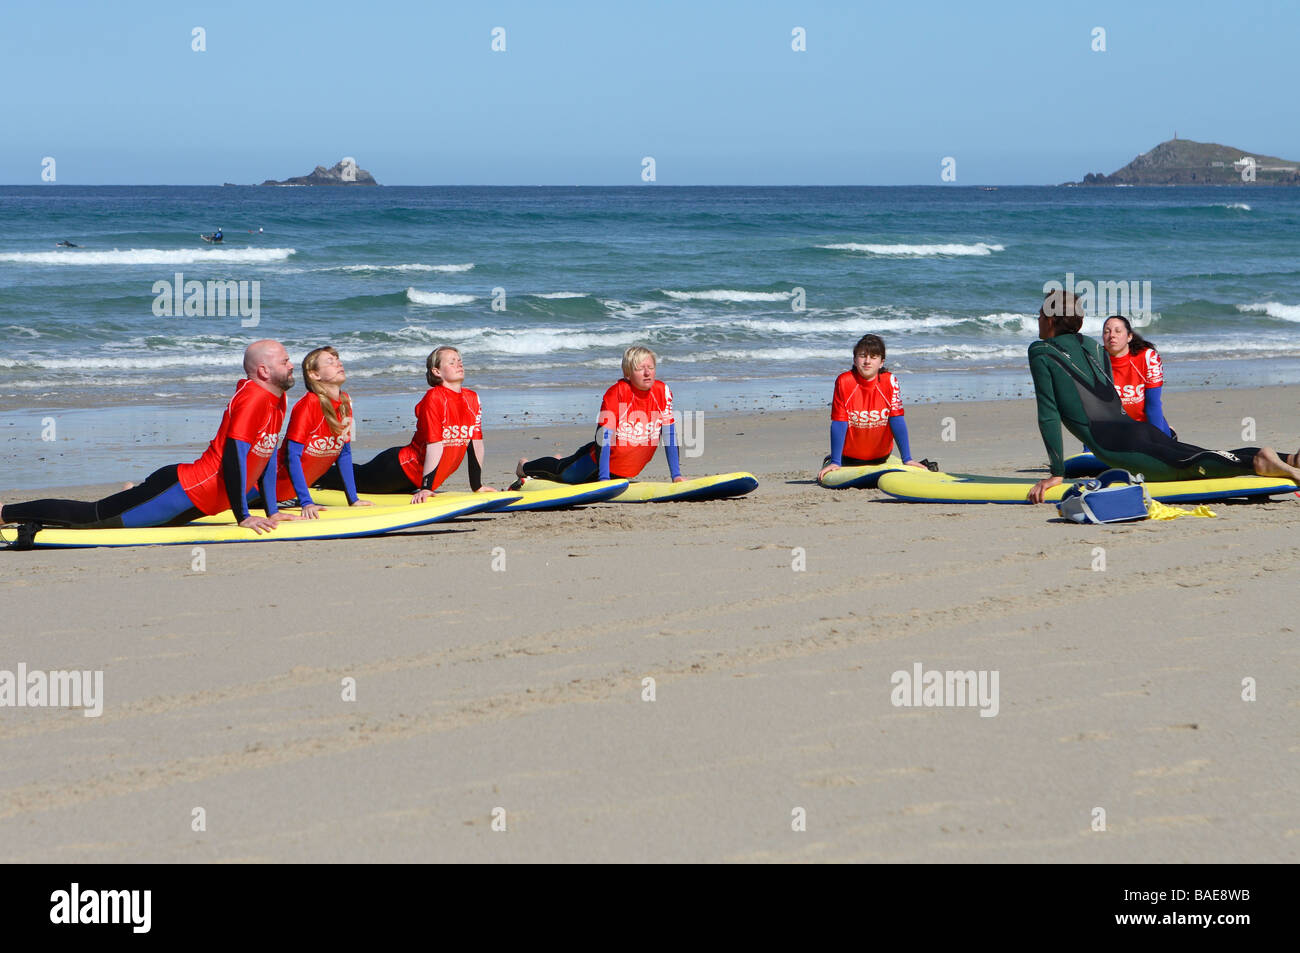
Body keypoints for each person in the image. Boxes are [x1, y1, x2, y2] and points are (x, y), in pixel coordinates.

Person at [1026, 291, 1300, 503]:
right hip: (1138, 430)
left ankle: (1259, 461)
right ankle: (1289, 459)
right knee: (1194, 454)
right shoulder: (1093, 347)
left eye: (1040, 313)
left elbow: (1048, 413)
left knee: (1188, 467)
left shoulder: (1041, 352)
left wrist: (1056, 474)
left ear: (1050, 319)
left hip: (1115, 446)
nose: (1038, 318)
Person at [2, 341, 297, 533]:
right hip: (184, 492)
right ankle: (6, 512)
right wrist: (243, 515)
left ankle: (134, 491)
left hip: (195, 499)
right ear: (263, 370)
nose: (291, 364)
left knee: (132, 508)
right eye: (285, 361)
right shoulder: (254, 398)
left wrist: (272, 510)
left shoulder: (278, 400)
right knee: (89, 517)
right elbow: (234, 458)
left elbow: (265, 458)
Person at [318, 346, 494, 501]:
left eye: (459, 361)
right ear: (437, 372)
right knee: (350, 478)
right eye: (451, 362)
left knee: (354, 476)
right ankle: (304, 475)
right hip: (399, 469)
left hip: (418, 478)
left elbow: (475, 443)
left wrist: (477, 485)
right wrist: (426, 487)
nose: (459, 364)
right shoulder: (435, 397)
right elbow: (435, 445)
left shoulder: (472, 398)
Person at [516, 345, 684, 485]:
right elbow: (603, 438)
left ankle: (562, 459)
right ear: (627, 373)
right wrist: (604, 479)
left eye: (651, 368)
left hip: (622, 470)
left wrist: (676, 476)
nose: (647, 373)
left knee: (570, 473)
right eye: (640, 369)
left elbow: (669, 435)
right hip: (594, 463)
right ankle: (524, 466)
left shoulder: (663, 392)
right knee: (562, 473)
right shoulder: (616, 394)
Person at [271, 346, 372, 518]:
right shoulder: (307, 405)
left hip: (288, 495)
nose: (338, 363)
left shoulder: (345, 401)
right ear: (314, 374)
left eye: (338, 359)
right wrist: (306, 502)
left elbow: (344, 453)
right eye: (330, 361)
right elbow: (292, 456)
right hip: (265, 489)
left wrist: (353, 499)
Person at [817, 334, 927, 482]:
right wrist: (836, 462)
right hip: (849, 459)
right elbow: (839, 422)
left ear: (881, 362)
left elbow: (896, 419)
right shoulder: (844, 382)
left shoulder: (890, 381)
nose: (867, 361)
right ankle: (831, 459)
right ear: (855, 360)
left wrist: (907, 459)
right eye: (862, 356)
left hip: (880, 458)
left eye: (873, 357)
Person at [1102, 315, 1171, 434]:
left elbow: (1152, 405)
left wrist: (1159, 441)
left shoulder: (1147, 357)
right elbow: (1092, 410)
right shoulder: (1095, 359)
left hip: (1144, 426)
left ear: (1129, 337)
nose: (1112, 335)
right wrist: (1089, 449)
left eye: (1118, 331)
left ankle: (1170, 433)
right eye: (1107, 332)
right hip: (1113, 430)